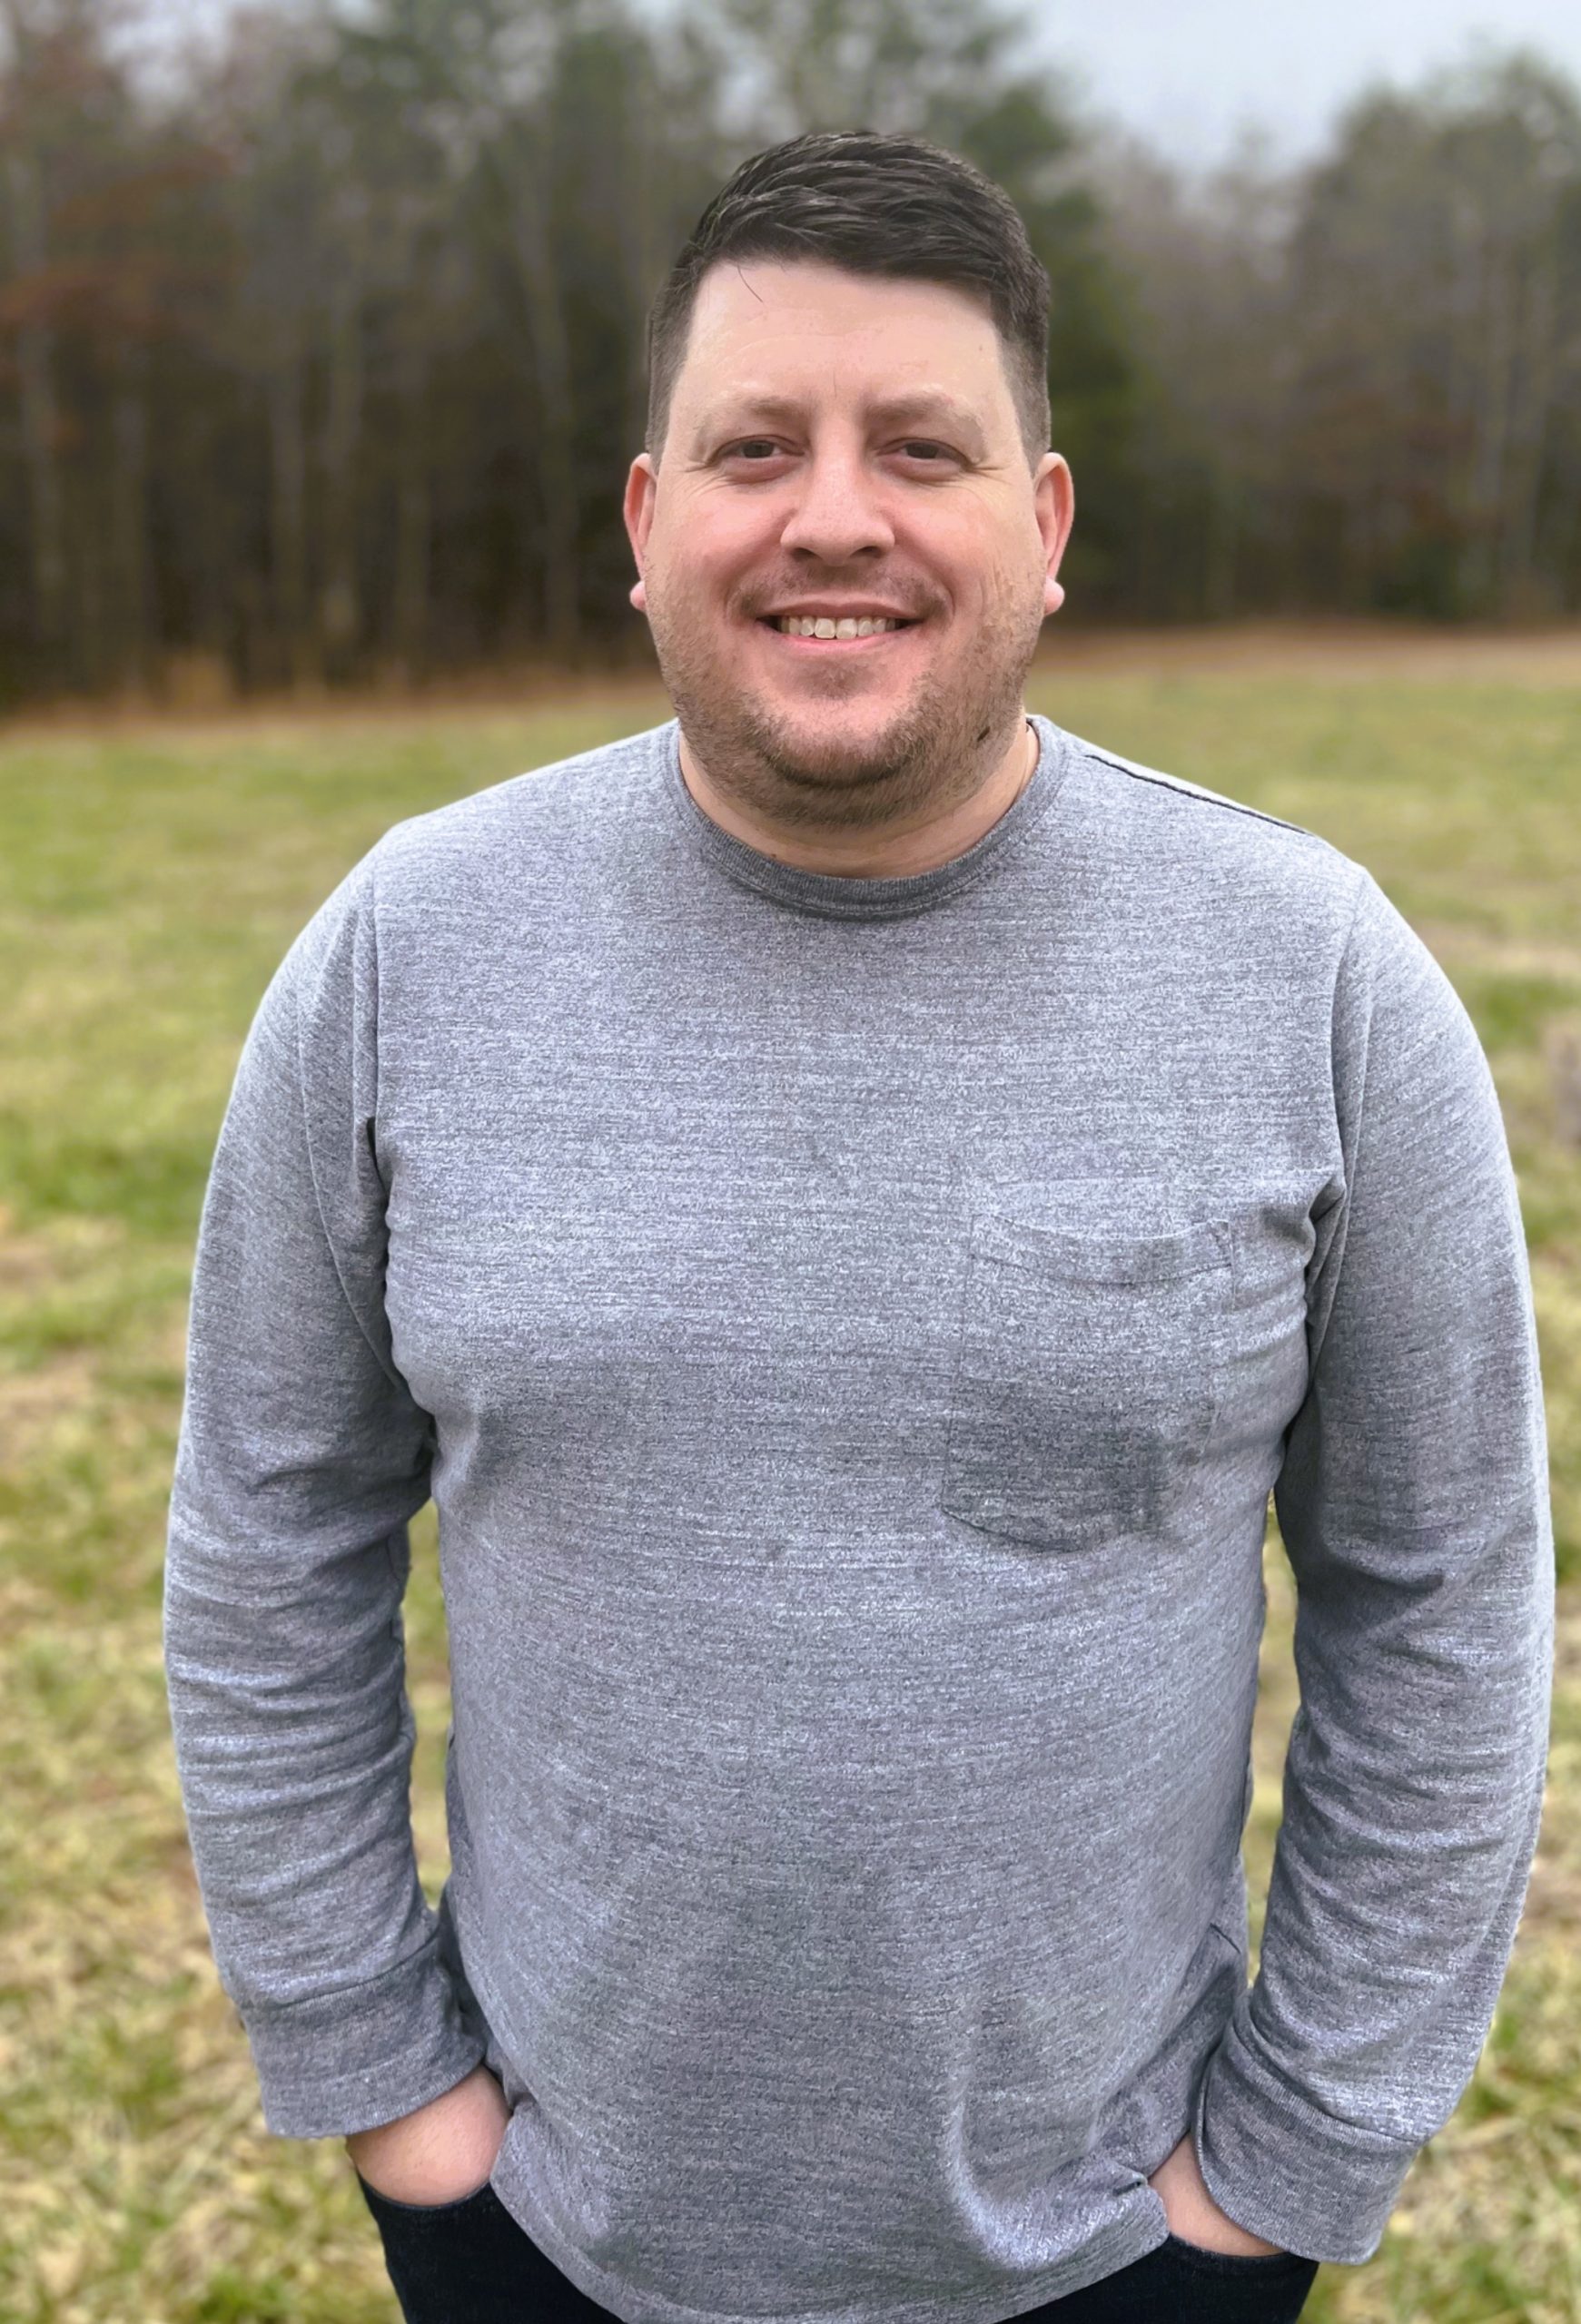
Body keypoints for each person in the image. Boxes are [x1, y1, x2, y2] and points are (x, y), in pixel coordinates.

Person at [162, 130, 1555, 2324]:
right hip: (542, 2242)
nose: (833, 515)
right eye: (755, 448)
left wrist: (1282, 2175)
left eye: (922, 446)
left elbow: (1443, 1593)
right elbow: (269, 1531)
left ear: (1045, 523)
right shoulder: (400, 954)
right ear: (647, 523)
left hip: (1123, 2257)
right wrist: (394, 2103)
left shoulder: (1313, 977)